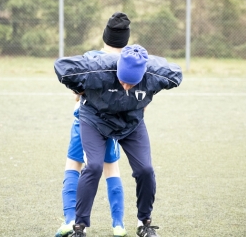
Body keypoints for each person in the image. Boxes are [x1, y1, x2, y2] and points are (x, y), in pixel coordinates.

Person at [54, 44, 183, 237]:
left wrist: (151, 93)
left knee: (145, 170)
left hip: (130, 123)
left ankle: (144, 223)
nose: (126, 86)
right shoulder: (101, 67)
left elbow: (176, 75)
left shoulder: (154, 73)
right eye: (123, 81)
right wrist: (80, 89)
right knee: (94, 167)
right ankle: (79, 228)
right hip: (95, 120)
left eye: (132, 83)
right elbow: (61, 67)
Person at [54, 12, 131, 237]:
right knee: (111, 169)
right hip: (112, 125)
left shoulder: (92, 58)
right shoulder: (130, 61)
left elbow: (77, 93)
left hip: (85, 121)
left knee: (73, 166)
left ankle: (71, 219)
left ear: (105, 36)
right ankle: (118, 225)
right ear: (126, 39)